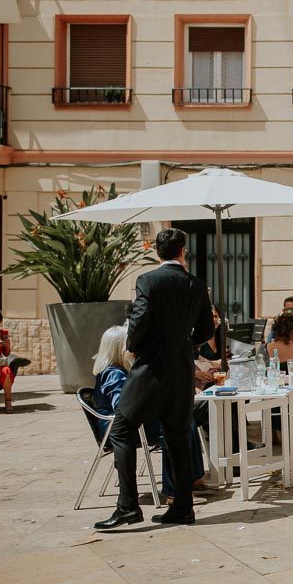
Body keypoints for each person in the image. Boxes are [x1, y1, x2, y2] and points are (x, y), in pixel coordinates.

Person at [94, 227, 213, 531]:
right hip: (182, 371)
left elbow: (140, 320)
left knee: (120, 430)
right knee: (176, 434)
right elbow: (206, 331)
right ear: (183, 251)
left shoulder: (147, 280)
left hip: (150, 369)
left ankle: (128, 506)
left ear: (157, 252)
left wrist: (134, 346)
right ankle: (183, 508)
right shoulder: (196, 285)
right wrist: (185, 343)